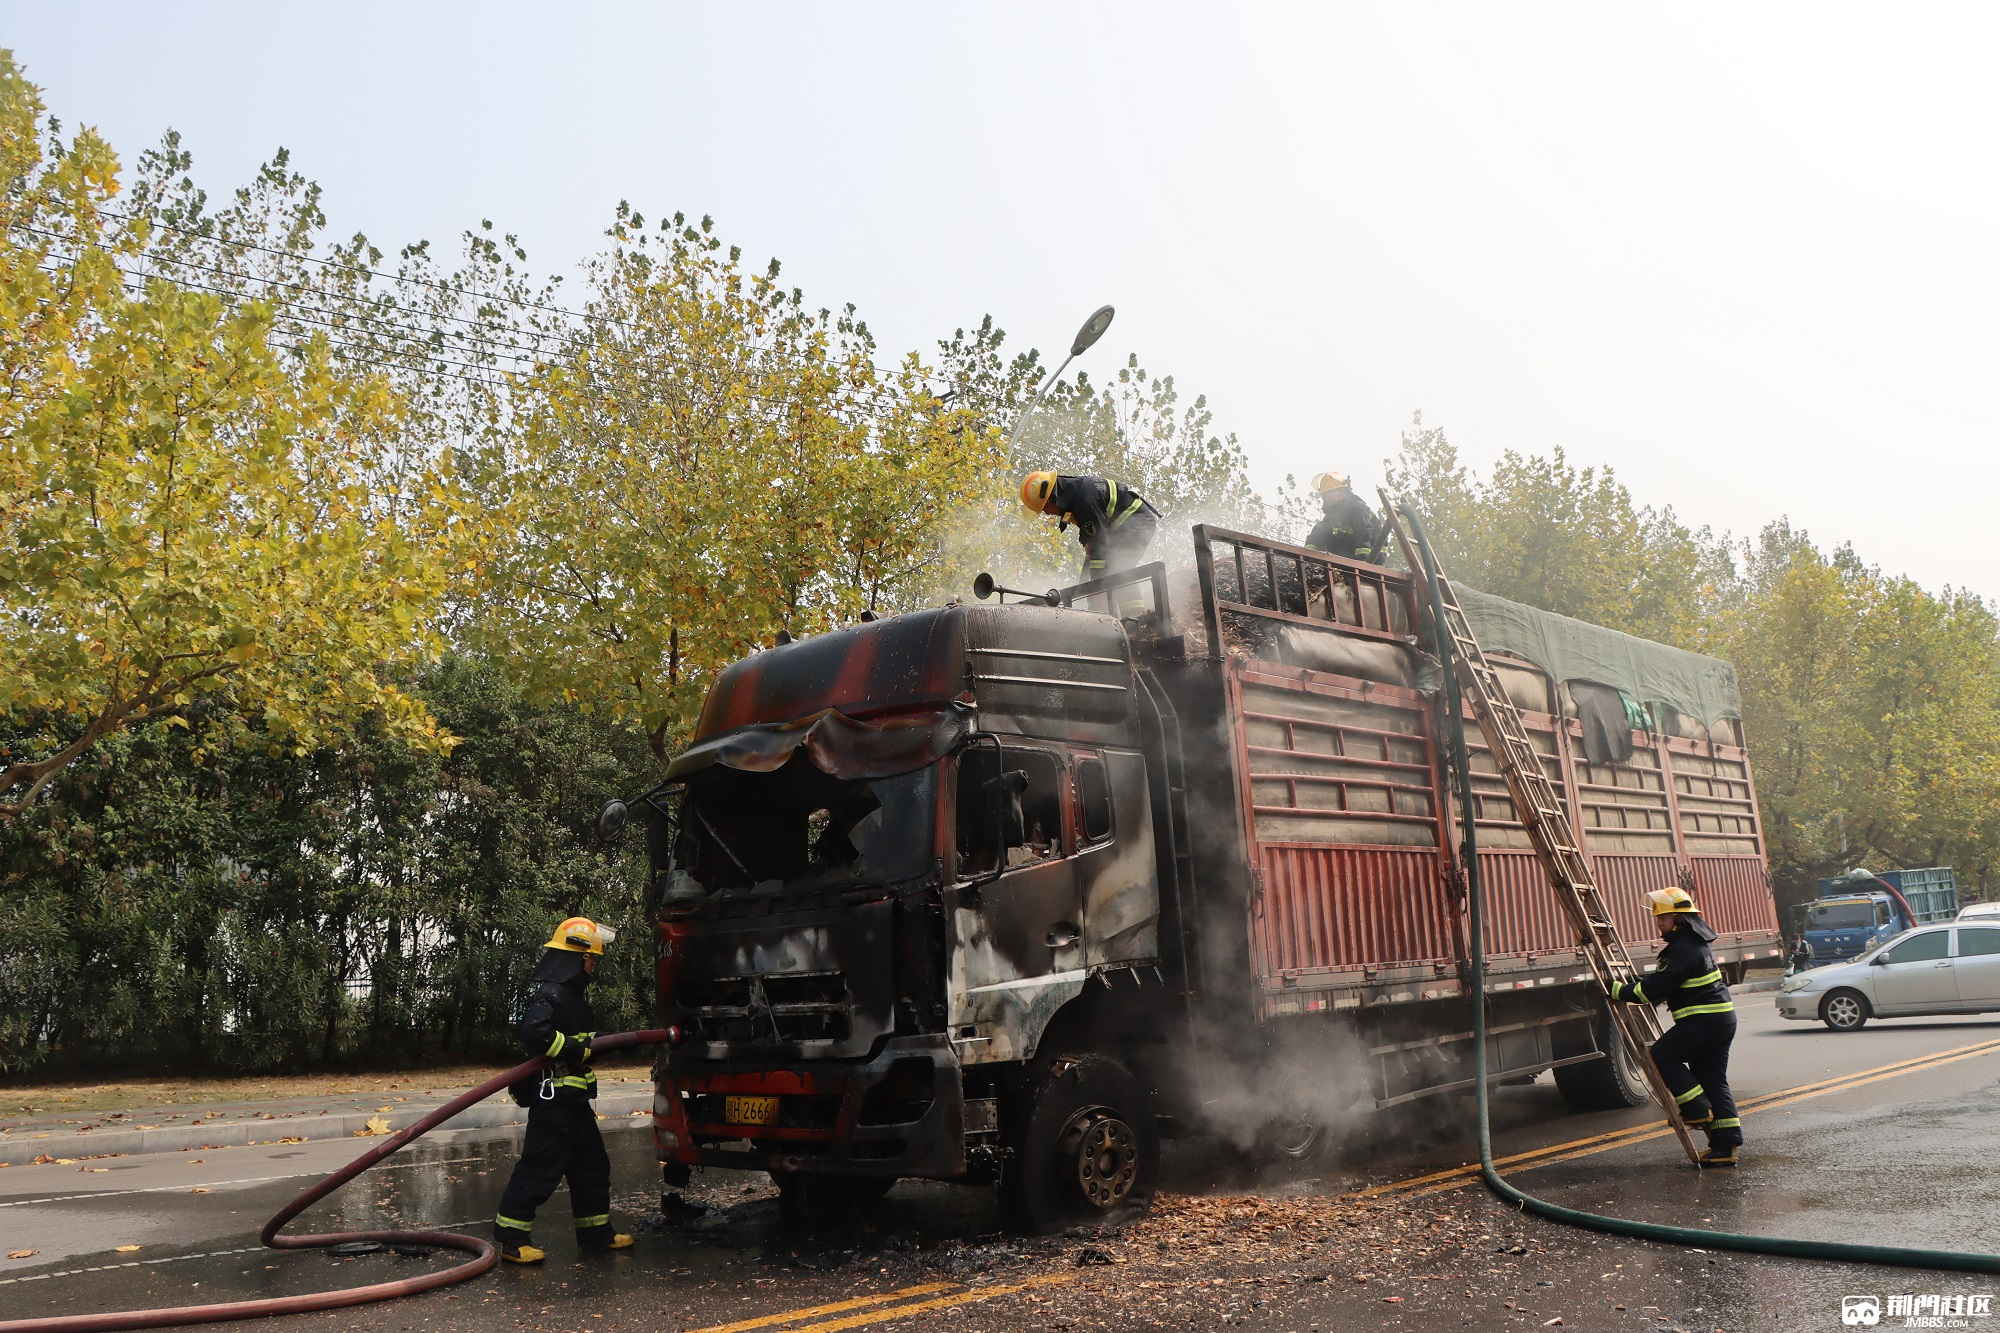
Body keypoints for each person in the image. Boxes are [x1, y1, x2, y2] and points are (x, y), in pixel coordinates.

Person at [493, 916, 636, 1263]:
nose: (593, 965)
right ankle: (512, 1241)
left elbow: (577, 1040)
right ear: (576, 955)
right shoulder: (553, 993)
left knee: (592, 1166)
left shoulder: (573, 996)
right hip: (553, 1103)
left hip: (573, 1102)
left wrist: (600, 1043)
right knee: (540, 1170)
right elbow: (535, 1033)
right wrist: (576, 1049)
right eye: (591, 958)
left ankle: (596, 1235)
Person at [1609, 886, 1742, 1167]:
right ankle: (1725, 1145)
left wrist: (1618, 990)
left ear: (1680, 920)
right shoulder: (1696, 945)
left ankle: (1696, 1109)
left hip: (1703, 1021)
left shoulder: (1680, 950)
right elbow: (1666, 978)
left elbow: (1651, 991)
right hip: (1721, 1019)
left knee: (1662, 1055)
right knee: (1712, 1078)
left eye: (1664, 918)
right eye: (1658, 918)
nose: (1659, 924)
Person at [1019, 471, 1160, 615]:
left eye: (1044, 508)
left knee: (1118, 568)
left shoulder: (1083, 500)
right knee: (1098, 570)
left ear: (1051, 498)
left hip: (1137, 523)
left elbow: (1100, 544)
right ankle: (1111, 617)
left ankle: (1136, 617)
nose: (1046, 513)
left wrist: (1097, 587)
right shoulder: (1074, 494)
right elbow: (1093, 541)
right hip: (1118, 529)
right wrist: (1090, 583)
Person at [1303, 471, 1378, 559]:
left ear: (1342, 491)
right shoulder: (1333, 513)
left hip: (1374, 552)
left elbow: (1364, 533)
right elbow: (1320, 531)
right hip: (1350, 552)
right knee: (1321, 531)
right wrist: (1307, 557)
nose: (1329, 496)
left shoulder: (1357, 508)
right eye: (1326, 493)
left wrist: (1362, 562)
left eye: (1333, 491)